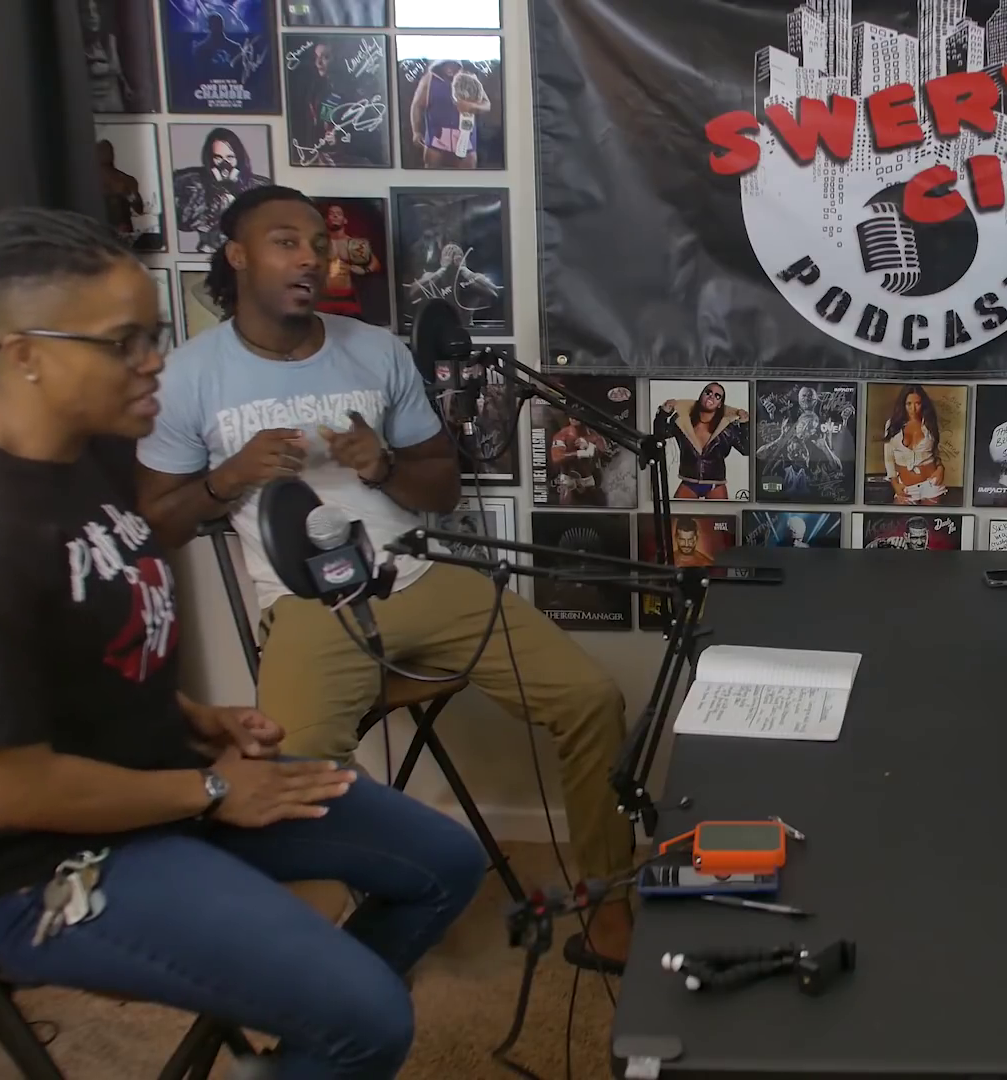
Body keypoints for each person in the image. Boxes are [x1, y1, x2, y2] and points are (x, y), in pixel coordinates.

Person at [0, 208, 485, 1077]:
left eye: (153, 335)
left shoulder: (83, 462)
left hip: (168, 788)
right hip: (58, 867)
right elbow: (12, 792)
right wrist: (211, 787)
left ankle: (309, 1037)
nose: (153, 361)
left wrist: (198, 718)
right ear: (24, 354)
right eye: (121, 343)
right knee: (373, 1017)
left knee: (445, 862)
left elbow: (92, 651)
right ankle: (336, 1026)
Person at [131, 187, 636, 973]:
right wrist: (227, 478)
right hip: (309, 603)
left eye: (318, 244)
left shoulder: (374, 350)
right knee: (292, 775)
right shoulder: (190, 376)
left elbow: (441, 486)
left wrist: (383, 463)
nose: (310, 259)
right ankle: (322, 964)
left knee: (592, 698)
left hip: (419, 577)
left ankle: (608, 913)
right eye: (286, 242)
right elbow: (156, 523)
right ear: (237, 255)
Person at [883, 384, 948, 505]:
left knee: (931, 517)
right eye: (909, 404)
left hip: (931, 485)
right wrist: (895, 484)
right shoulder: (892, 425)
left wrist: (940, 468)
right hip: (906, 487)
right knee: (899, 516)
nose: (913, 409)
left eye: (917, 403)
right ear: (903, 404)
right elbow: (889, 459)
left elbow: (936, 451)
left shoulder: (929, 423)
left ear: (923, 404)